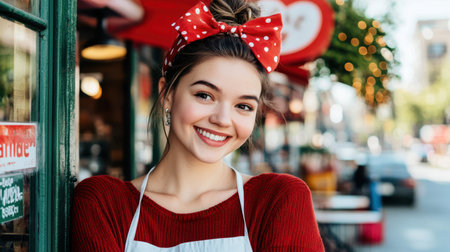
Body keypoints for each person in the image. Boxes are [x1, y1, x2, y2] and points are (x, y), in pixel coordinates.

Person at [71, 0, 324, 251]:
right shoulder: (104, 203)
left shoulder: (279, 200)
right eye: (205, 95)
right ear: (166, 94)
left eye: (243, 106)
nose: (223, 119)